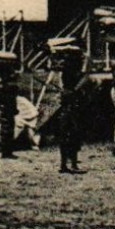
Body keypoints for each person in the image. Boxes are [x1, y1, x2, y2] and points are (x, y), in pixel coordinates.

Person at [50, 46, 87, 174]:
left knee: (66, 133)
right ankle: (73, 164)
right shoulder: (73, 71)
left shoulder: (65, 70)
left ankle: (64, 164)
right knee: (73, 133)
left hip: (68, 102)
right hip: (72, 103)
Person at [0, 57, 20, 158]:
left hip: (5, 108)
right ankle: (7, 152)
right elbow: (11, 98)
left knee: (6, 130)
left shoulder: (1, 84)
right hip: (8, 108)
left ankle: (6, 151)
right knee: (8, 130)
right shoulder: (8, 85)